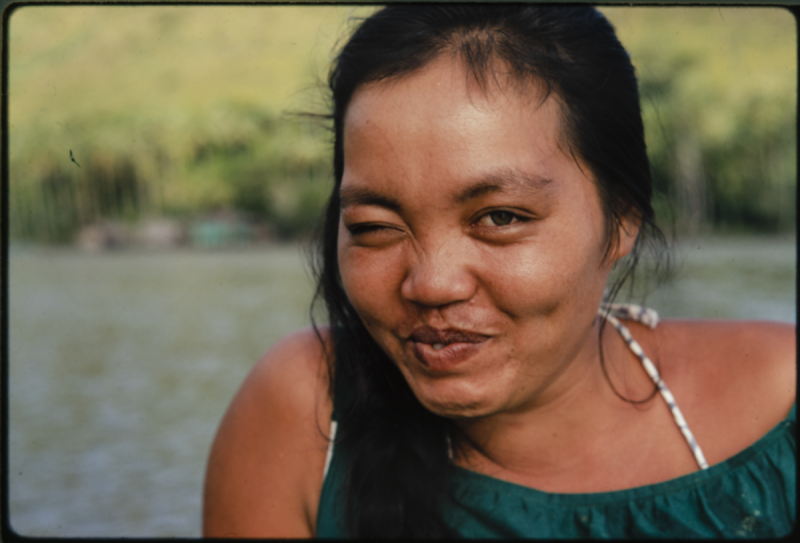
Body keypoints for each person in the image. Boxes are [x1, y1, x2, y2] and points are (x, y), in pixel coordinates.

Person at [202, 5, 796, 538]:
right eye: (375, 227)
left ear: (621, 222)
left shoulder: (783, 405)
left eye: (500, 217)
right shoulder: (305, 412)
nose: (432, 284)